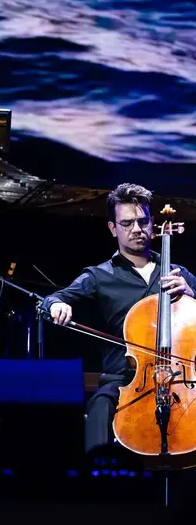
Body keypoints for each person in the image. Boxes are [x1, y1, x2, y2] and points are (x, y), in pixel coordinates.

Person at [41, 183, 196, 454]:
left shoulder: (178, 275)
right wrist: (55, 306)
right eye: (127, 223)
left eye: (142, 221)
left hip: (180, 379)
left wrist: (192, 296)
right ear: (113, 229)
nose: (136, 229)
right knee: (100, 405)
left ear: (153, 224)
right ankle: (98, 476)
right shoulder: (100, 276)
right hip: (124, 380)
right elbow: (51, 301)